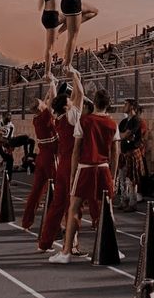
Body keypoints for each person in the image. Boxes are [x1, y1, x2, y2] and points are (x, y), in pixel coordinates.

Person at [50, 84, 119, 264]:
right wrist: (113, 175)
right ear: (108, 104)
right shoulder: (113, 123)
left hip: (85, 167)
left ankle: (66, 252)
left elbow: (76, 150)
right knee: (108, 209)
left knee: (74, 208)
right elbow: (115, 152)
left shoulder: (84, 121)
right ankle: (113, 248)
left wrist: (73, 174)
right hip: (104, 167)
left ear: (94, 102)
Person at [39, 75, 84, 253]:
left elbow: (54, 102)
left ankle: (45, 242)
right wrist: (74, 74)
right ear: (66, 106)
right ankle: (72, 244)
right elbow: (80, 93)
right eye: (69, 100)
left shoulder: (57, 118)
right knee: (74, 206)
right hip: (73, 165)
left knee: (57, 205)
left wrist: (52, 85)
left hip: (61, 164)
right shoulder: (72, 117)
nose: (72, 100)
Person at [21, 76, 59, 231]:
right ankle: (54, 222)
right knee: (57, 188)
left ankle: (26, 221)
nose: (45, 101)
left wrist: (52, 85)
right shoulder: (46, 116)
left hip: (41, 157)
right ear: (41, 107)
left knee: (36, 190)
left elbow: (46, 100)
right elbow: (53, 101)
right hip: (51, 156)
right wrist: (52, 84)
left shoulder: (37, 118)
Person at [117, 99, 147, 213]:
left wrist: (124, 136)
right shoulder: (124, 121)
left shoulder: (137, 120)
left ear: (132, 107)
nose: (124, 106)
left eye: (126, 104)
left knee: (132, 179)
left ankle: (132, 203)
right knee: (122, 179)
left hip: (132, 152)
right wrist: (124, 136)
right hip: (124, 152)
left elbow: (125, 135)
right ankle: (123, 200)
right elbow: (120, 135)